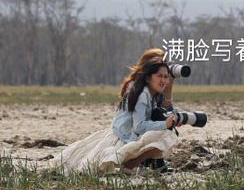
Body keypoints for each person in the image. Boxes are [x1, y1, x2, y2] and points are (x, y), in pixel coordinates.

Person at [49, 50, 182, 174]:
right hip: (125, 134)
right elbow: (139, 125)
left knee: (163, 129)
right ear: (147, 74)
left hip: (128, 132)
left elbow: (163, 110)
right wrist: (165, 124)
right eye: (160, 75)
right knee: (166, 134)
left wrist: (169, 109)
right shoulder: (139, 91)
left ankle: (143, 163)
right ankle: (131, 164)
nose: (164, 79)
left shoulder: (150, 91)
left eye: (166, 75)